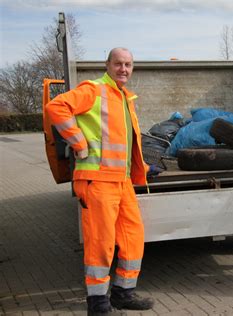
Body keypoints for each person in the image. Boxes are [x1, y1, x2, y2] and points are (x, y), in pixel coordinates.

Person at [46, 47, 156, 314]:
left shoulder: (124, 97)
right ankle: (97, 303)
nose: (123, 69)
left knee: (133, 236)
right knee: (101, 242)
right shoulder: (94, 90)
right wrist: (78, 142)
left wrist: (143, 166)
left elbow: (124, 141)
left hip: (121, 181)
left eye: (128, 64)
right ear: (107, 65)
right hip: (97, 180)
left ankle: (123, 293)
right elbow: (55, 107)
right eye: (118, 63)